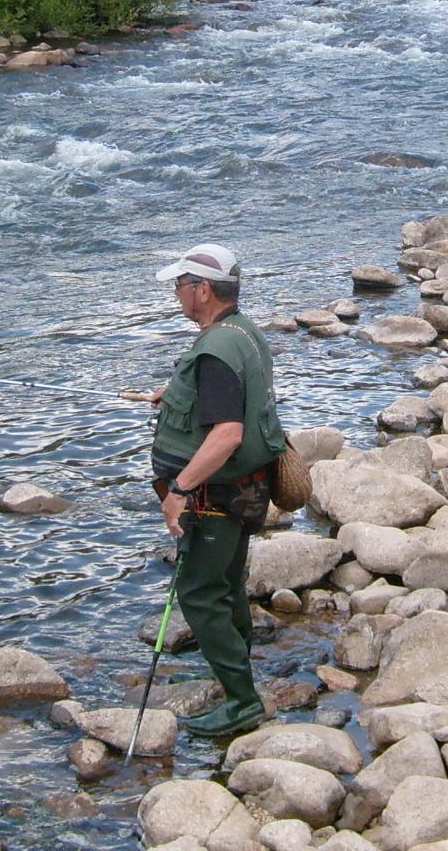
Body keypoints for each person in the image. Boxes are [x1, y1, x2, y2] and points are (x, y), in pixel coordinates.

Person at [148, 242, 286, 737]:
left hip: (217, 498)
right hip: (245, 491)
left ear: (203, 290)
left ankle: (242, 700)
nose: (176, 295)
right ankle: (236, 671)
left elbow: (227, 433)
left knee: (201, 594)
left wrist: (180, 489)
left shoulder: (216, 347)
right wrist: (181, 394)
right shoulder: (242, 333)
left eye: (180, 286)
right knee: (227, 586)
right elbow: (232, 397)